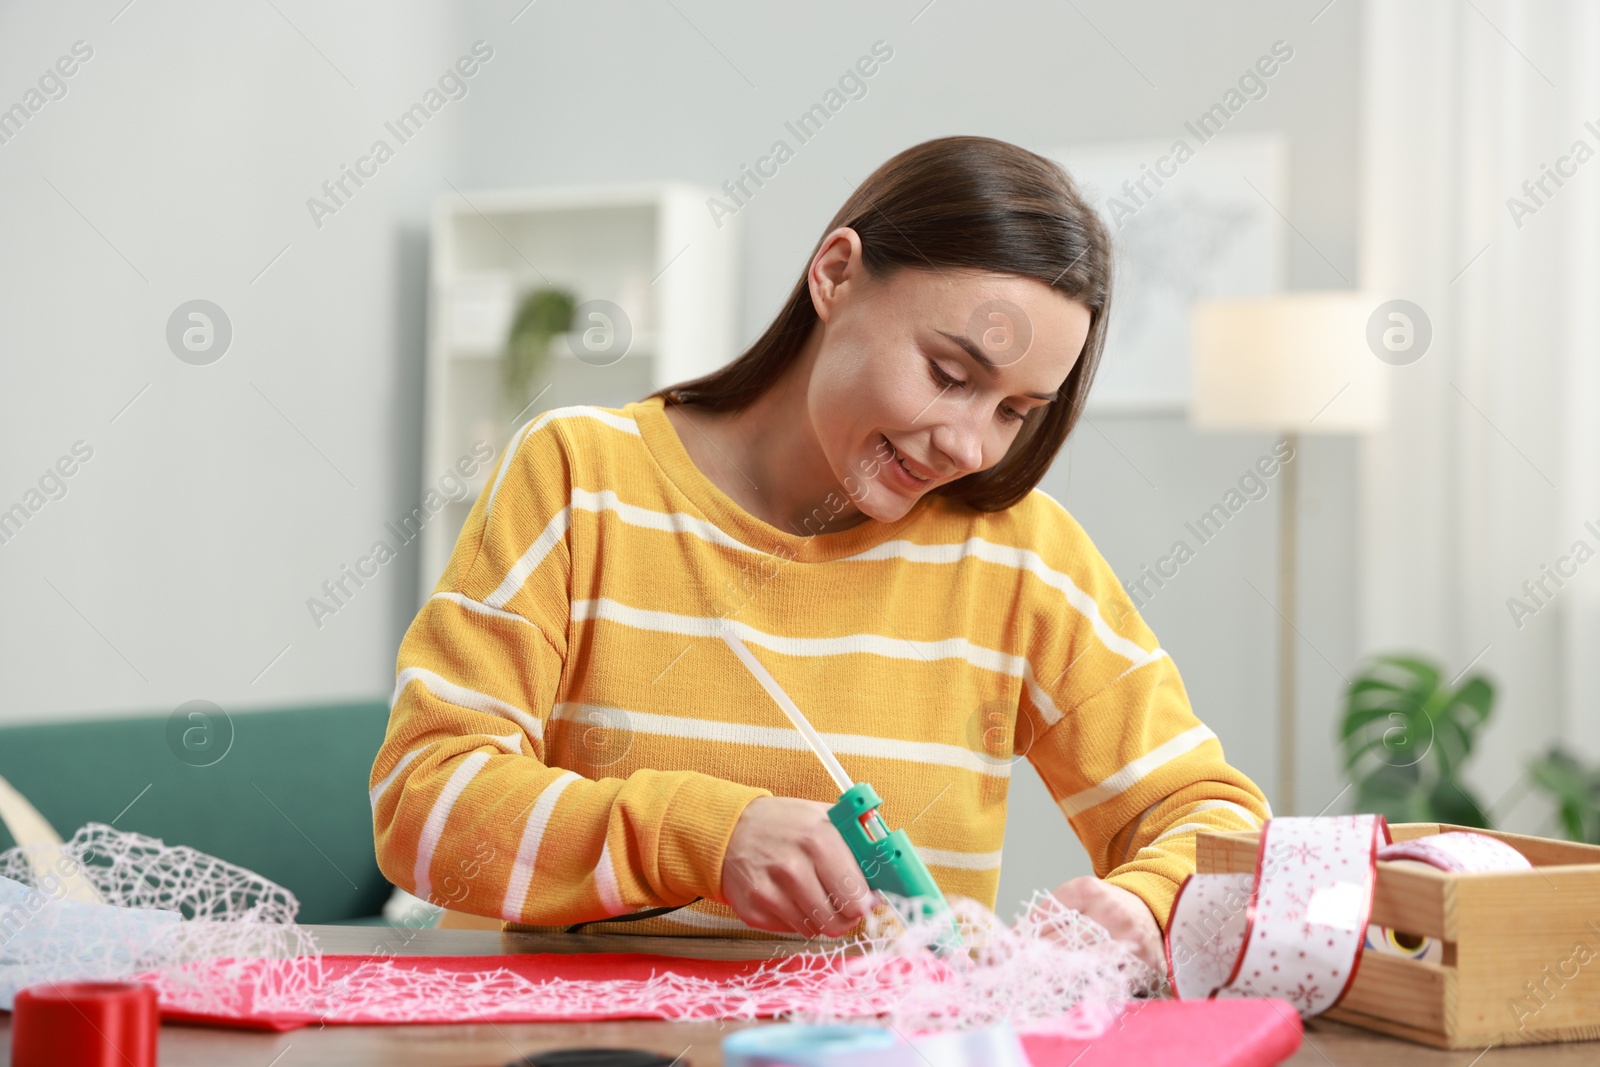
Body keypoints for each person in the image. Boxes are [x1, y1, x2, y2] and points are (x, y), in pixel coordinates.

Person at [370, 134, 1271, 974]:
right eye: (950, 375)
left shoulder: (1022, 558)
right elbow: (425, 806)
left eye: (1012, 412)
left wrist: (1144, 907)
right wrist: (705, 834)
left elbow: (1219, 818)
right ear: (836, 274)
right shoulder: (580, 476)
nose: (966, 443)